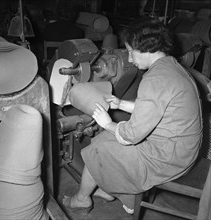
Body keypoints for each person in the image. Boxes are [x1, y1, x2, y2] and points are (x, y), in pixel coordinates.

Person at [62, 18, 203, 214]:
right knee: (104, 139)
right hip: (180, 149)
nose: (129, 59)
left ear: (148, 49)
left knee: (100, 147)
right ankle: (107, 189)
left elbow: (131, 136)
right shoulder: (171, 67)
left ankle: (84, 199)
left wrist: (108, 123)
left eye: (130, 52)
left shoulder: (155, 79)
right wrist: (121, 104)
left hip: (167, 159)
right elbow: (157, 109)